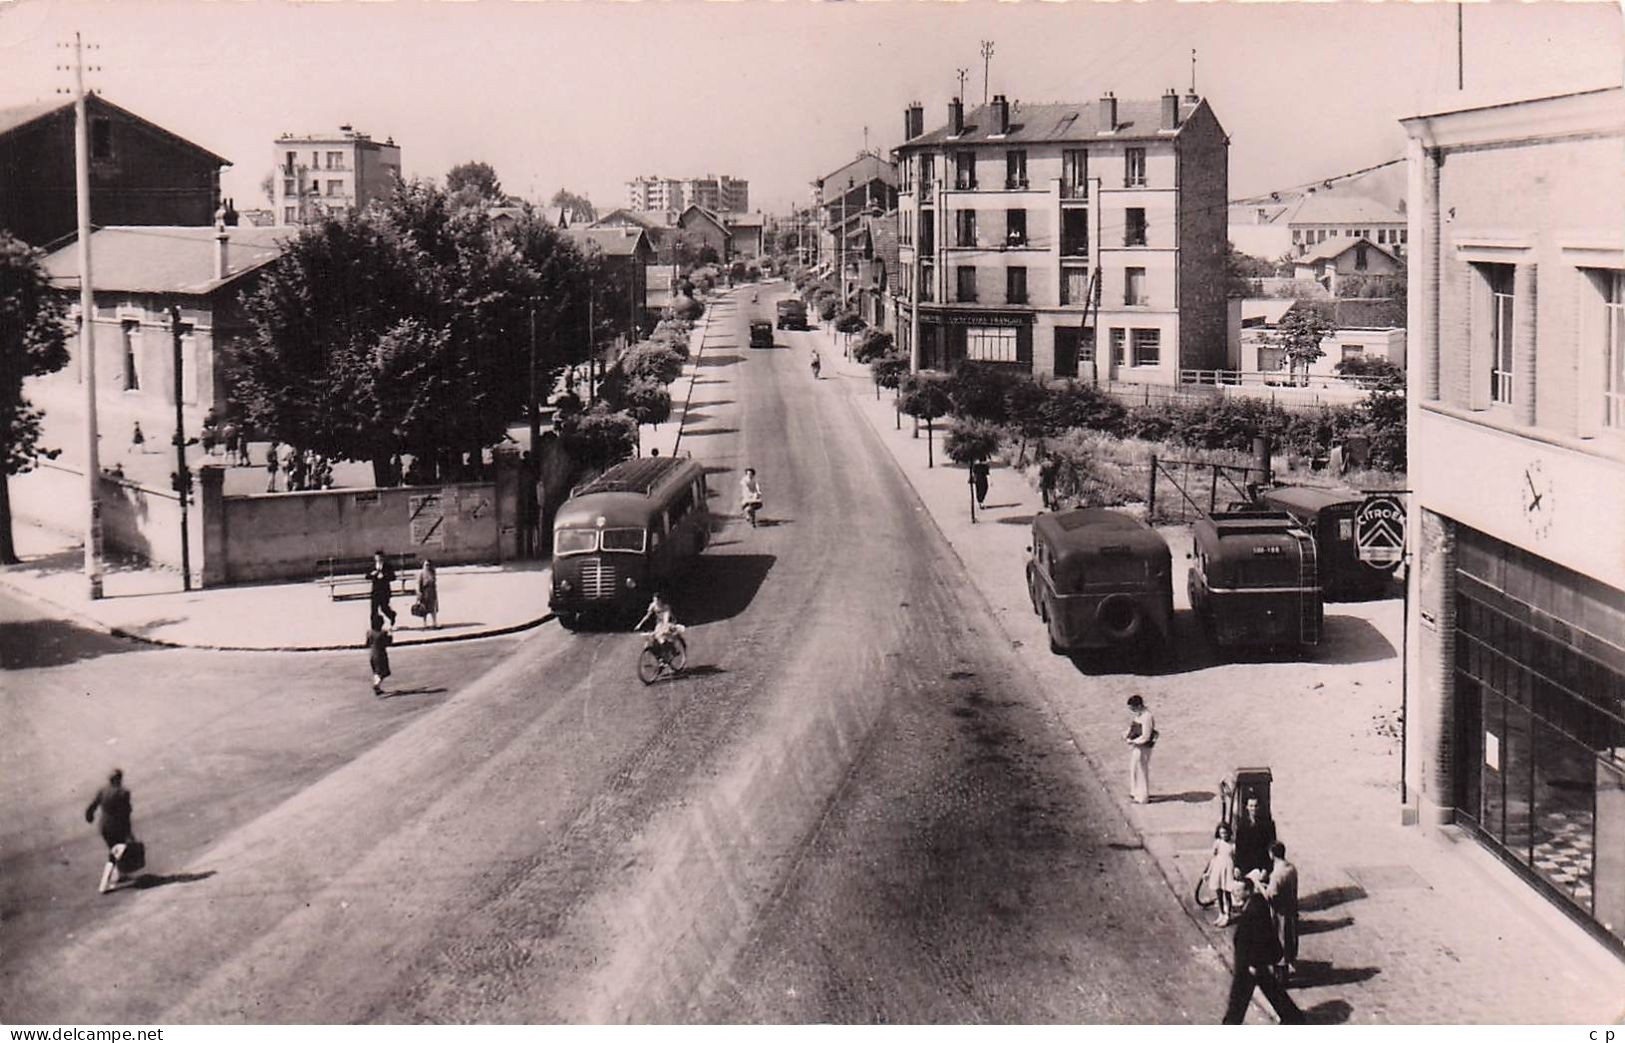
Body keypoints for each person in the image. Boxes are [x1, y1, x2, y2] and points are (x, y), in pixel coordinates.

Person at [1221, 878, 1305, 1024]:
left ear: (1247, 891)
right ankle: (1293, 1017)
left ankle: (1231, 1024)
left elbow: (1259, 938)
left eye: (1238, 890)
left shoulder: (1254, 910)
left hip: (1249, 962)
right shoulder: (1255, 903)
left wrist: (1253, 964)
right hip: (1252, 961)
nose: (1234, 893)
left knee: (1239, 997)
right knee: (1270, 988)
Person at [84, 769, 134, 894]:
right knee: (114, 854)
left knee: (115, 851)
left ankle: (119, 876)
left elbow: (91, 807)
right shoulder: (123, 793)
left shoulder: (102, 791)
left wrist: (89, 817)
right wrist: (129, 833)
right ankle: (104, 884)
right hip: (118, 828)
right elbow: (126, 813)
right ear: (119, 779)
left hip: (104, 827)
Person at [1259, 841, 1300, 984]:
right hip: (1291, 908)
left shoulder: (1277, 874)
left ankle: (1281, 977)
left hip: (1279, 912)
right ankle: (1288, 966)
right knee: (1290, 939)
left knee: (1280, 941)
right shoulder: (1291, 868)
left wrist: (1260, 887)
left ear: (1272, 854)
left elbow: (1271, 895)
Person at [1233, 795, 1277, 879]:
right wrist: (1237, 867)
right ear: (1247, 807)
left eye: (1256, 806)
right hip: (1245, 866)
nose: (1253, 809)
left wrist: (1266, 868)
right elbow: (1239, 848)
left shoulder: (1268, 825)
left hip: (1261, 866)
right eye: (1251, 806)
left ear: (1259, 807)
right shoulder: (1241, 825)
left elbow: (1271, 848)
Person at [1124, 694, 1156, 804]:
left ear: (1138, 705)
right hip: (1137, 746)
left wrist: (1133, 741)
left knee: (1142, 770)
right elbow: (1132, 727)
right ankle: (1135, 792)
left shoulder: (1147, 717)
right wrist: (1126, 734)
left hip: (1143, 747)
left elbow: (1146, 736)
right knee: (1134, 768)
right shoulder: (1139, 715)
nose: (1132, 710)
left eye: (1133, 708)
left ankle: (1142, 796)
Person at [635, 592, 684, 661]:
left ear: (660, 600)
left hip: (668, 623)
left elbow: (666, 620)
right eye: (654, 600)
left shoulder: (666, 607)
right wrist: (639, 624)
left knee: (661, 637)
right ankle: (660, 657)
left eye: (657, 601)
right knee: (654, 640)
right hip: (659, 624)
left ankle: (672, 652)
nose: (655, 602)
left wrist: (663, 628)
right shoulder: (653, 606)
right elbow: (647, 616)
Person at [1207, 822, 1239, 927]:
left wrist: (1235, 870)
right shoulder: (1217, 843)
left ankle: (1227, 915)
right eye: (1221, 833)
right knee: (1218, 891)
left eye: (1225, 833)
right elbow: (1213, 858)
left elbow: (1236, 859)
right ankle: (1221, 913)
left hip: (1228, 868)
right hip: (1218, 868)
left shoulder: (1233, 845)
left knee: (1227, 892)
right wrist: (1208, 872)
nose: (1223, 835)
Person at [366, 550, 398, 627]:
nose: (378, 559)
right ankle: (374, 626)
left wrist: (385, 576)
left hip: (384, 590)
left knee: (384, 608)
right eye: (377, 557)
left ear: (383, 558)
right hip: (375, 590)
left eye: (380, 557)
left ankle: (392, 615)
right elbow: (367, 576)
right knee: (374, 609)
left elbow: (393, 577)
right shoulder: (372, 566)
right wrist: (372, 574)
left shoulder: (388, 566)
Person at [365, 612, 393, 696]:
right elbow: (388, 642)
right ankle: (376, 684)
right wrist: (390, 635)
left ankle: (378, 688)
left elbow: (367, 643)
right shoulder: (382, 633)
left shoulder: (369, 632)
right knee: (385, 672)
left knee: (376, 671)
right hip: (381, 655)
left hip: (372, 654)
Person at [415, 558, 439, 629]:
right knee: (424, 609)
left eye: (429, 565)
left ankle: (434, 622)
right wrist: (419, 593)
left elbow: (434, 582)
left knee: (433, 608)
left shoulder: (433, 572)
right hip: (424, 592)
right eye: (426, 565)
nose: (427, 566)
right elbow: (418, 584)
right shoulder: (421, 573)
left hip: (432, 591)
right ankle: (425, 623)